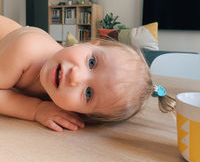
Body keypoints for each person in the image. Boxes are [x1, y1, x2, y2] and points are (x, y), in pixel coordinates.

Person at [0, 15, 176, 132]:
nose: (75, 77)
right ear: (91, 43)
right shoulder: (27, 49)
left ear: (82, 114)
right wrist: (36, 109)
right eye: (92, 62)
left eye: (88, 93)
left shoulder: (60, 94)